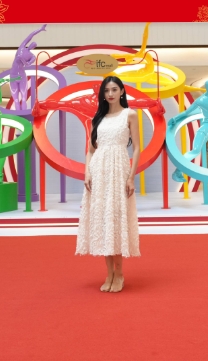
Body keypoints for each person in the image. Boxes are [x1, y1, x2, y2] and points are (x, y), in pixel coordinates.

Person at [76, 76, 141, 293]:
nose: (110, 94)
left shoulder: (130, 114)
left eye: (114, 89)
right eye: (106, 90)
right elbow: (90, 150)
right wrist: (87, 172)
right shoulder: (98, 118)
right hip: (99, 172)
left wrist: (131, 177)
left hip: (118, 171)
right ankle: (109, 273)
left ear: (122, 91)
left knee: (116, 219)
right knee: (103, 221)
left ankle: (119, 273)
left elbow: (137, 148)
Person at [9, 24, 46, 110]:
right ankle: (17, 114)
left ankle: (23, 113)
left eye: (34, 45)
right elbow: (30, 35)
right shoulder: (22, 47)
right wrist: (40, 29)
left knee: (23, 98)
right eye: (32, 43)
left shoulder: (32, 56)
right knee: (16, 99)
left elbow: (27, 65)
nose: (32, 45)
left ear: (34, 47)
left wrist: (22, 59)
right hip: (13, 75)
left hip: (21, 75)